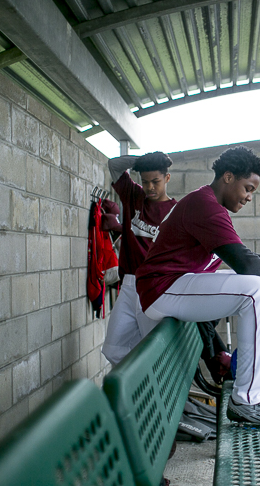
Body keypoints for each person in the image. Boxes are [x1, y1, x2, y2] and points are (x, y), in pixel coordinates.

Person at [135, 146, 260, 425]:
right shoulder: (203, 205)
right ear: (228, 177)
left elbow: (235, 253)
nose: (249, 197)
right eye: (248, 188)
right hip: (162, 288)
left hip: (176, 285)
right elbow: (243, 261)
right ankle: (247, 401)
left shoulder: (207, 204)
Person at [101, 151, 177, 365]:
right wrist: (143, 161)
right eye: (145, 181)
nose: (150, 187)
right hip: (128, 284)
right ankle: (133, 391)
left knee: (155, 354)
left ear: (167, 178)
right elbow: (114, 165)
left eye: (156, 181)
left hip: (154, 286)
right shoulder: (134, 195)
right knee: (113, 348)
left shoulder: (176, 211)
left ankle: (153, 394)